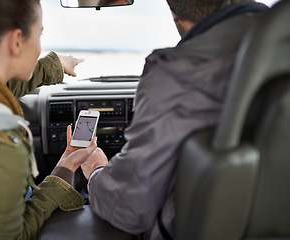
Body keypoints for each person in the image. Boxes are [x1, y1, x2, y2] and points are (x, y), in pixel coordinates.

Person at [81, 0, 269, 239]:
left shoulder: (172, 74)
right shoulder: (280, 48)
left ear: (176, 15)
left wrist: (96, 170)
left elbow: (129, 207)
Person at [0, 0, 96, 239]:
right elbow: (16, 236)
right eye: (39, 34)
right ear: (16, 41)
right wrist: (66, 168)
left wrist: (56, 64)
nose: (40, 45)